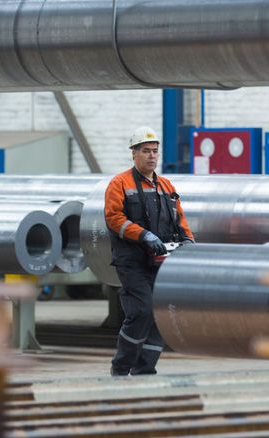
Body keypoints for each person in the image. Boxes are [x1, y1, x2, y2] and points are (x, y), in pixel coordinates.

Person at [104, 126, 194, 376]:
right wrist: (143, 235)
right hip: (132, 261)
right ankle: (121, 367)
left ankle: (144, 369)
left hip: (161, 261)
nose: (152, 156)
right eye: (146, 151)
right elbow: (113, 218)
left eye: (155, 151)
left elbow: (179, 217)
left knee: (160, 314)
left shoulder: (165, 186)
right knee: (142, 311)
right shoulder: (119, 183)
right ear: (134, 153)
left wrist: (188, 240)